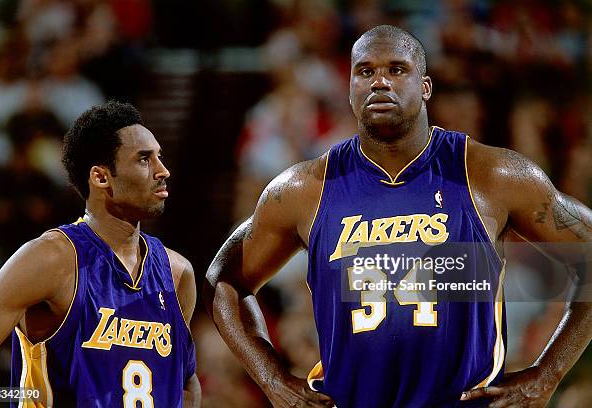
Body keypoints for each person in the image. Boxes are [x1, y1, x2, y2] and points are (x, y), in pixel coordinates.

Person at [204, 25, 591, 408]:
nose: (379, 82)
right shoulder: (304, 189)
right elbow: (223, 280)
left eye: (396, 69)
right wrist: (272, 378)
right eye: (366, 71)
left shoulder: (491, 175)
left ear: (425, 87)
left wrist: (548, 373)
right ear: (350, 88)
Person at [0, 101, 200, 407]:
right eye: (144, 159)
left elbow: (185, 384)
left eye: (159, 157)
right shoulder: (51, 259)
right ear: (100, 177)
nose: (163, 171)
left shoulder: (177, 273)